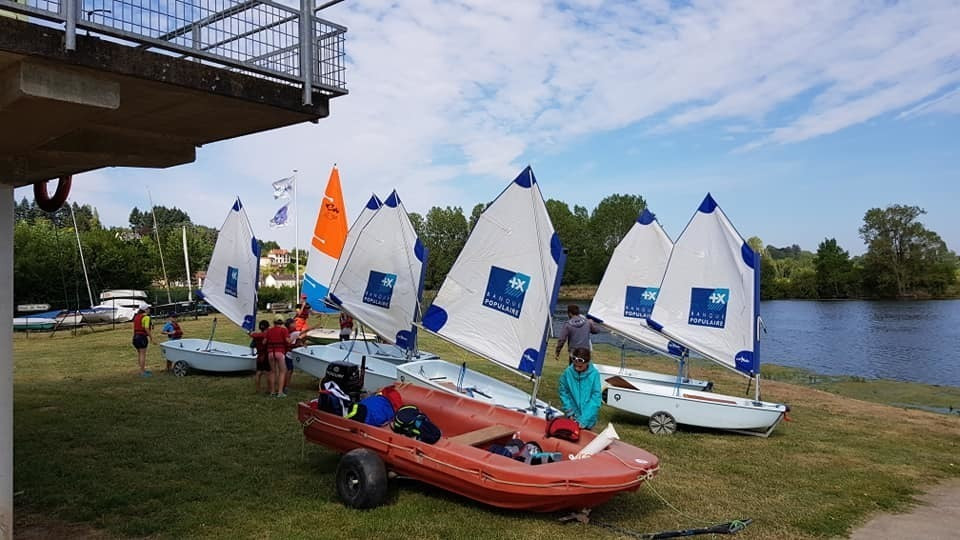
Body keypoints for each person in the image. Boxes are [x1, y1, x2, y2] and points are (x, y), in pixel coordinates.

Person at [557, 347, 602, 430]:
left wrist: (583, 420)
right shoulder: (568, 372)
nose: (577, 368)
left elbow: (596, 398)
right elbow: (563, 391)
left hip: (588, 419)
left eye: (580, 366)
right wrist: (569, 411)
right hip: (572, 416)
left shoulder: (594, 374)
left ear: (587, 362)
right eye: (575, 365)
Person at [264, 318, 290, 397]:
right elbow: (288, 341)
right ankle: (280, 392)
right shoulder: (284, 330)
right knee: (282, 372)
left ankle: (272, 392)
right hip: (280, 352)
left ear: (273, 322)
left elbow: (264, 342)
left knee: (272, 372)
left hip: (271, 353)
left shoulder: (269, 330)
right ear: (282, 322)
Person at [248, 320, 272, 395]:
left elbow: (252, 337)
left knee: (258, 373)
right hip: (266, 355)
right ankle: (269, 389)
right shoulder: (267, 335)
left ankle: (258, 389)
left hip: (259, 356)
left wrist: (250, 332)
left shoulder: (256, 335)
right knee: (268, 373)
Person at [131, 307, 155, 377]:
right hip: (142, 337)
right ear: (145, 310)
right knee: (142, 354)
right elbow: (146, 328)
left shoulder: (136, 317)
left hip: (135, 337)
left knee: (140, 354)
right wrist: (151, 338)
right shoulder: (146, 317)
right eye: (148, 308)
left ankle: (142, 369)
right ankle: (142, 372)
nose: (149, 310)